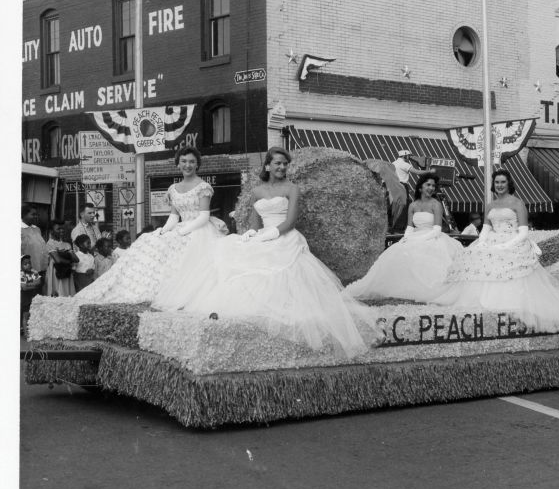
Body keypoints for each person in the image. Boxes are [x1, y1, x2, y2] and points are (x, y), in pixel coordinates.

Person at [178, 147, 370, 357]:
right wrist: (251, 233)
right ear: (268, 166)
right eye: (278, 163)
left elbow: (290, 220)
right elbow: (254, 221)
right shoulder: (257, 191)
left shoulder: (292, 188)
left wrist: (273, 233)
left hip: (285, 236)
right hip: (263, 235)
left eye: (285, 164)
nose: (282, 167)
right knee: (229, 253)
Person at [433, 170, 559, 333]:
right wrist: (482, 242)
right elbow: (485, 228)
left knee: (506, 262)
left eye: (503, 182)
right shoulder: (490, 205)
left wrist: (506, 246)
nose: (499, 185)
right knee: (473, 256)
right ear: (493, 184)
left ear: (509, 184)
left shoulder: (517, 204)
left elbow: (523, 232)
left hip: (514, 240)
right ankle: (481, 301)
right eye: (497, 182)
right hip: (492, 239)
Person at [76, 146, 225, 304]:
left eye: (191, 162)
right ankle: (134, 288)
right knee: (149, 241)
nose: (187, 165)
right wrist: (164, 231)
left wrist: (182, 232)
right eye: (184, 161)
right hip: (180, 228)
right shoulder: (173, 189)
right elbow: (174, 217)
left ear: (197, 165)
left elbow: (203, 216)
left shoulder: (203, 187)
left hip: (199, 230)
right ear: (178, 164)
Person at [345, 173, 464, 302]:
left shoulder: (436, 204)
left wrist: (418, 240)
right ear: (420, 187)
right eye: (428, 185)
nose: (431, 188)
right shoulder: (413, 206)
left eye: (433, 186)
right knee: (396, 252)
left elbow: (437, 229)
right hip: (415, 236)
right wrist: (407, 238)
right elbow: (409, 227)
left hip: (432, 237)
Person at [391, 150, 429, 232]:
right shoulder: (404, 164)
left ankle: (393, 226)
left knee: (396, 206)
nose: (409, 157)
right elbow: (417, 172)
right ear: (404, 156)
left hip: (394, 186)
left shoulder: (393, 163)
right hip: (402, 186)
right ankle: (400, 228)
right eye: (408, 155)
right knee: (404, 207)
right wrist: (428, 171)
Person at [44, 219, 77, 297]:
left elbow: (76, 259)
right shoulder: (50, 243)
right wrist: (69, 260)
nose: (61, 231)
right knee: (58, 293)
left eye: (63, 228)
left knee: (67, 292)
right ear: (51, 231)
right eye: (58, 229)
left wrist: (63, 255)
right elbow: (58, 260)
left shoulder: (67, 244)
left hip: (66, 273)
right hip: (56, 273)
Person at [21, 204, 47, 295]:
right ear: (23, 215)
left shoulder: (37, 229)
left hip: (40, 270)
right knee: (29, 297)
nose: (36, 217)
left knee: (39, 296)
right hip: (28, 271)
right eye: (33, 214)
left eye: (37, 214)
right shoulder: (19, 230)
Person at [20, 254, 42, 334]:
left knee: (33, 314)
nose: (28, 265)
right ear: (21, 265)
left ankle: (33, 331)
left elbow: (38, 282)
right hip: (25, 298)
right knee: (26, 315)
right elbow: (24, 287)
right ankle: (26, 333)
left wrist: (29, 285)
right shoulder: (21, 274)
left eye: (29, 263)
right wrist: (33, 284)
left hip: (33, 296)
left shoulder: (34, 272)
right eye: (25, 264)